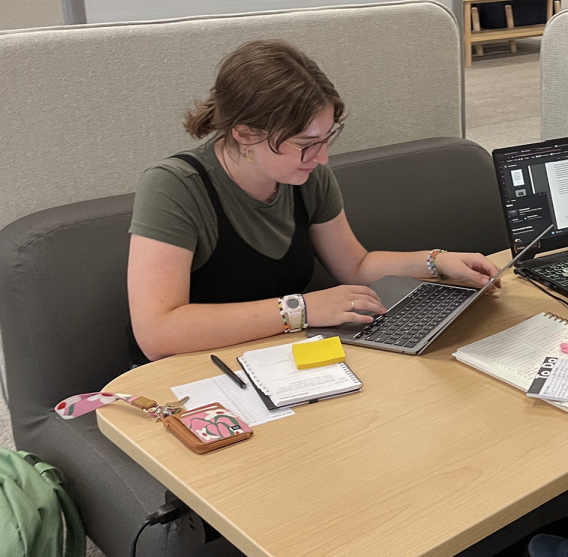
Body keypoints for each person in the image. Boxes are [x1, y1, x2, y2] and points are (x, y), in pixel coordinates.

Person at [127, 40, 501, 363]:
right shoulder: (175, 187)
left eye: (326, 139)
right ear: (244, 133)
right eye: (306, 144)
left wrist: (437, 262)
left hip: (274, 357)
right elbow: (157, 333)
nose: (321, 158)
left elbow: (356, 266)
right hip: (192, 373)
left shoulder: (305, 174)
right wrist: (300, 309)